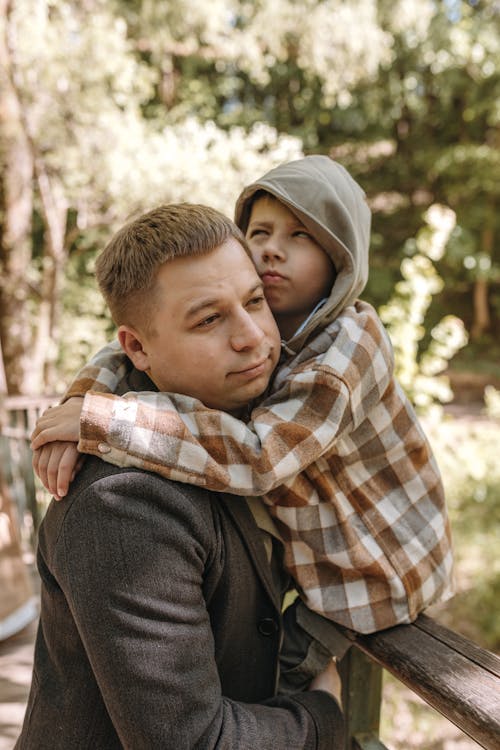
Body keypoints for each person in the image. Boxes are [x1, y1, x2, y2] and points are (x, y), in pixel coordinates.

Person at [32, 156, 454, 636]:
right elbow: (122, 351)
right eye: (260, 232)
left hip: (380, 575)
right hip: (319, 566)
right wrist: (77, 407)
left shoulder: (349, 347)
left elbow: (260, 456)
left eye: (301, 235)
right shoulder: (259, 318)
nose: (273, 250)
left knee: (292, 683)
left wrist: (106, 422)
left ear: (342, 254)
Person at [17, 204, 345, 749]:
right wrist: (322, 718)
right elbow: (192, 742)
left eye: (255, 301)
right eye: (208, 319)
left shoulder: (241, 430)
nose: (253, 337)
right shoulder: (124, 505)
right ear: (138, 348)